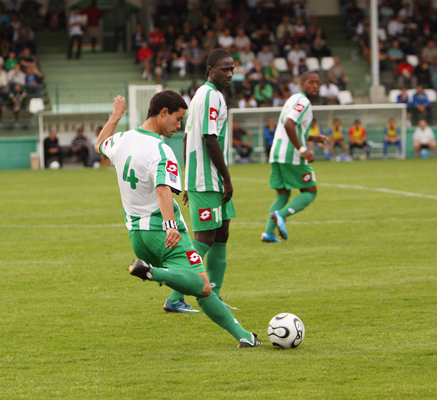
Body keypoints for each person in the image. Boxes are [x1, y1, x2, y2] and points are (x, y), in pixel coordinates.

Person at [94, 92, 262, 348]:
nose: (179, 126)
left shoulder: (123, 139)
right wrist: (171, 226)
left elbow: (100, 144)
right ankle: (151, 272)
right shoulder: (161, 150)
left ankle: (245, 337)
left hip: (137, 236)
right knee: (204, 286)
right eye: (177, 118)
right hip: (163, 233)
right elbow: (163, 189)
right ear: (163, 112)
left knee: (199, 285)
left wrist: (116, 115)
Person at [165, 49, 237, 313]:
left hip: (210, 180)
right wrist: (226, 178)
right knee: (204, 238)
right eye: (223, 69)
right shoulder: (208, 96)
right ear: (210, 69)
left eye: (232, 69)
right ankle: (174, 297)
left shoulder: (206, 96)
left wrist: (186, 179)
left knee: (221, 234)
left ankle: (214, 294)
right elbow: (209, 138)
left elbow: (186, 139)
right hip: (209, 181)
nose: (229, 73)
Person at [262, 71, 327, 243]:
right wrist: (302, 149)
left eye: (317, 83)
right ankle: (281, 215)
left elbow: (291, 127)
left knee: (282, 195)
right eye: (311, 82)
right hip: (292, 155)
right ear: (302, 83)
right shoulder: (303, 101)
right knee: (310, 191)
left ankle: (268, 233)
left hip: (277, 153)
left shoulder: (292, 99)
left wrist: (313, 137)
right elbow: (289, 124)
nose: (315, 86)